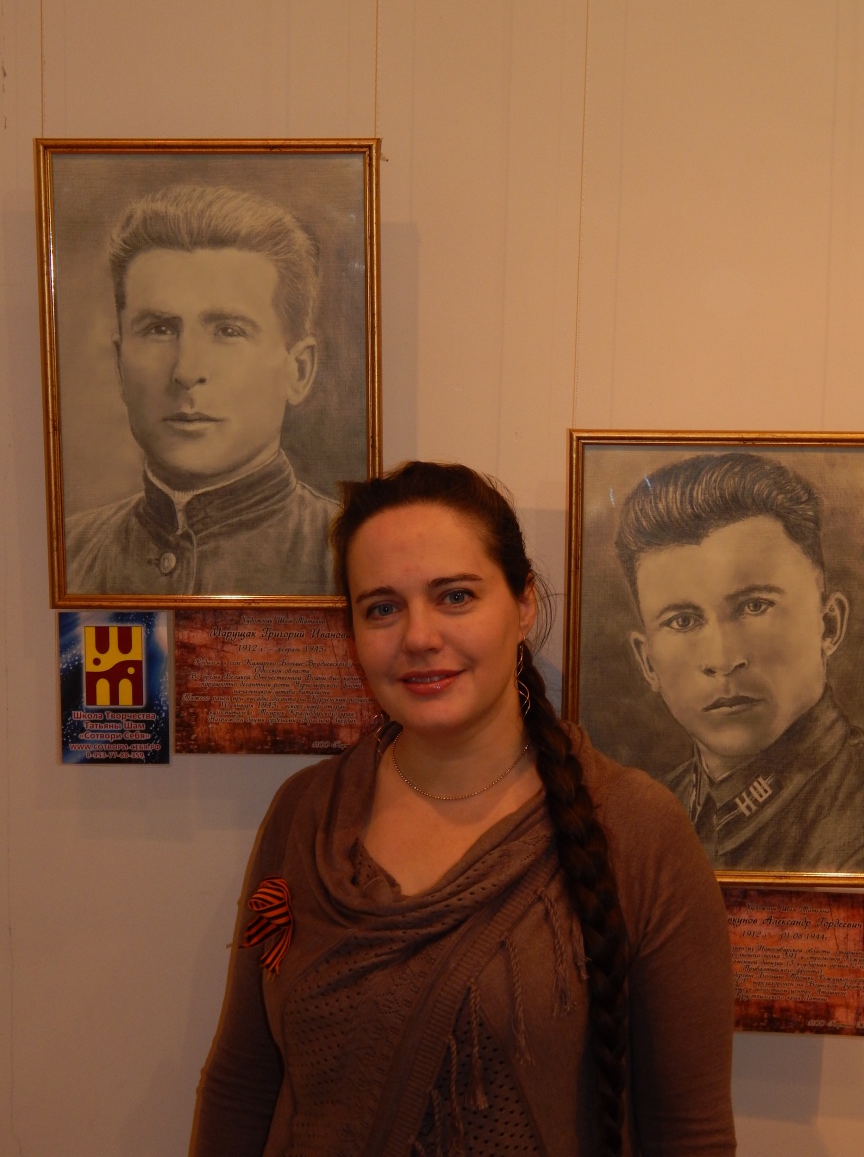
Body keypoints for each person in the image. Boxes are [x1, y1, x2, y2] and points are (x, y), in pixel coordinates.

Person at [192, 461, 735, 1157]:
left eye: (454, 596)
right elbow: (242, 1083)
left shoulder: (636, 830)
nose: (419, 636)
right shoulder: (307, 814)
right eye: (382, 608)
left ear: (524, 604)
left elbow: (689, 1133)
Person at [65, 183, 336, 596]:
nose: (186, 371)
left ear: (297, 371)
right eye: (159, 329)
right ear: (120, 366)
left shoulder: (350, 557)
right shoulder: (67, 556)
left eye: (228, 331)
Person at [615, 451, 864, 874]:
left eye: (754, 606)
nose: (722, 660)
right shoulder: (643, 818)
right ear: (648, 663)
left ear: (828, 625)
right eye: (682, 621)